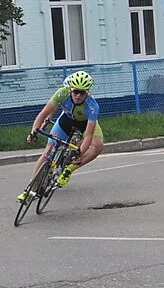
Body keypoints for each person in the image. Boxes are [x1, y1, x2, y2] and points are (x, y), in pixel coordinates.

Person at [17, 71, 104, 201]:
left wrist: (79, 153)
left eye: (82, 92)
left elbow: (89, 136)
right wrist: (34, 131)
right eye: (75, 92)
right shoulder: (62, 93)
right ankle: (30, 189)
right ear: (70, 90)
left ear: (87, 92)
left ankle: (68, 170)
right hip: (66, 120)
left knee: (97, 146)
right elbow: (43, 114)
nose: (78, 96)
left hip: (85, 123)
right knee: (48, 151)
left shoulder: (92, 106)